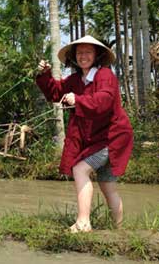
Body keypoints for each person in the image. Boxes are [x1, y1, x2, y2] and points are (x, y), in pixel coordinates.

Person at [36, 35, 133, 233]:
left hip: (112, 136)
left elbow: (104, 100)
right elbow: (55, 92)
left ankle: (83, 223)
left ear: (96, 55)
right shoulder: (74, 80)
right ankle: (120, 231)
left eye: (88, 52)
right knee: (107, 185)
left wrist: (77, 100)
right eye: (79, 53)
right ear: (74, 57)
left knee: (80, 170)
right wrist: (44, 74)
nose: (83, 56)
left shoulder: (104, 75)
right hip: (98, 138)